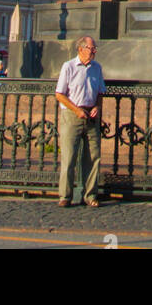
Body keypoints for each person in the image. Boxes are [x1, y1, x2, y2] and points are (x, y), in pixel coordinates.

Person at [55, 36, 106, 208]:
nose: (94, 51)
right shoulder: (68, 67)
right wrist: (76, 110)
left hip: (91, 116)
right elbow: (59, 94)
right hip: (72, 115)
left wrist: (97, 107)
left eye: (94, 48)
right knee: (69, 157)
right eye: (91, 48)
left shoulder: (97, 68)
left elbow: (100, 92)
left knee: (93, 157)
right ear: (81, 49)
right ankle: (65, 196)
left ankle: (90, 195)